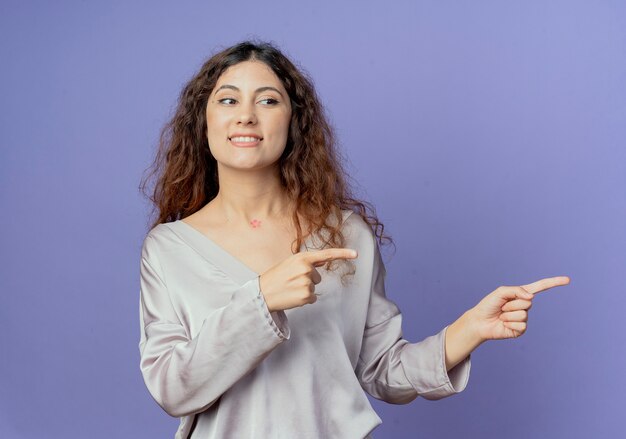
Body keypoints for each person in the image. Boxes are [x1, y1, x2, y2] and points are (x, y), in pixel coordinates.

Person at [138, 40, 570, 439]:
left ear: (294, 121)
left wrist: (468, 330)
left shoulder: (344, 236)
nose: (246, 115)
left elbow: (382, 369)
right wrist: (260, 302)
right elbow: (173, 389)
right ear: (204, 120)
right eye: (228, 99)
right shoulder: (170, 249)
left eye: (268, 100)